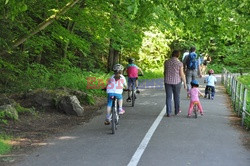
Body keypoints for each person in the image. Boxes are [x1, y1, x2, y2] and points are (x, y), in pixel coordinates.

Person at [164, 50, 187, 117]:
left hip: (167, 81)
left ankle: (168, 112)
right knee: (177, 96)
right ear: (178, 55)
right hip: (177, 81)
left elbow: (165, 72)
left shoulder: (166, 62)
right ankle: (176, 111)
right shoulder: (180, 63)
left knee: (168, 97)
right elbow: (182, 74)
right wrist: (185, 83)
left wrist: (165, 78)